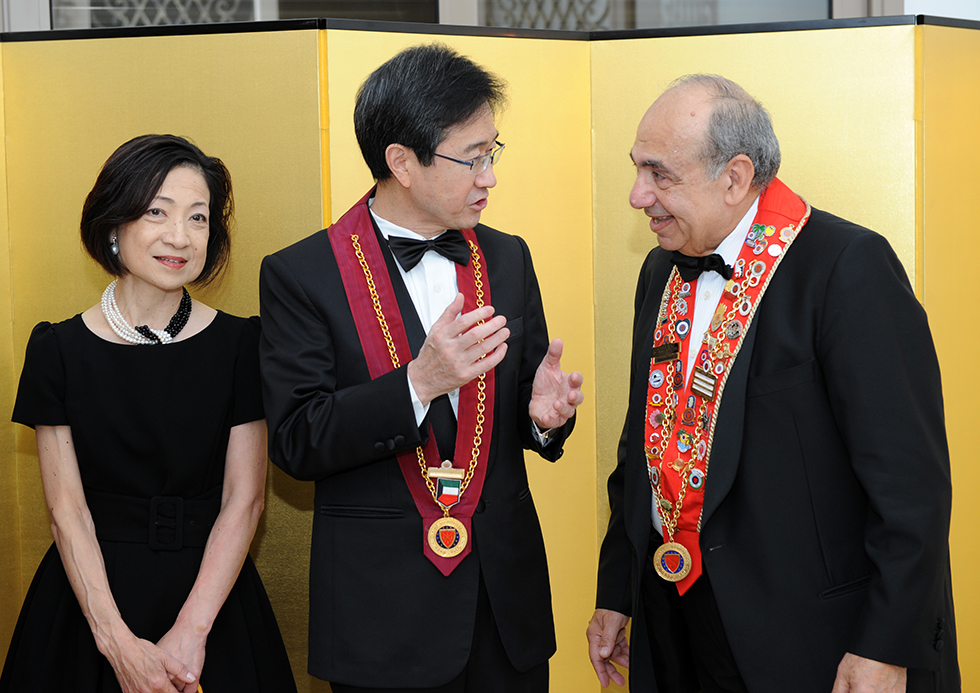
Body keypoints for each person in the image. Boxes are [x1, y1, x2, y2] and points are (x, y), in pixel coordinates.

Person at [587, 75, 959, 693]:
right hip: (675, 624)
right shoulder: (658, 270)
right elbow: (645, 450)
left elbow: (910, 488)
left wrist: (886, 646)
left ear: (734, 178)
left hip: (812, 640)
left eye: (659, 174)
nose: (637, 195)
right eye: (637, 169)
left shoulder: (847, 267)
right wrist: (616, 592)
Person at [259, 43, 583, 692]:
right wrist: (418, 384)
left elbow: (517, 412)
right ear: (402, 162)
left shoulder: (509, 258)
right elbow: (296, 440)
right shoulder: (302, 274)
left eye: (493, 152)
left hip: (504, 612)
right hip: (382, 617)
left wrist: (543, 420)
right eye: (473, 157)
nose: (489, 177)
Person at [1, 135, 296, 693]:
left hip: (211, 603)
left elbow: (245, 500)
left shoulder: (241, 345)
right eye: (157, 212)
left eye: (198, 217)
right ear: (113, 224)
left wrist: (192, 631)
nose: (179, 236)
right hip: (89, 603)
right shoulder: (57, 350)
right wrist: (114, 641)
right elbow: (67, 511)